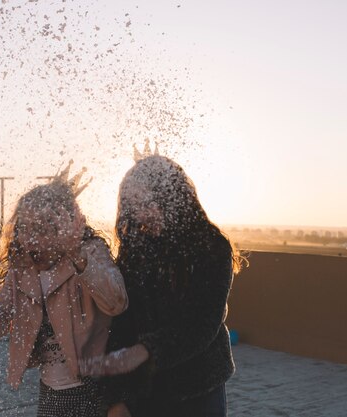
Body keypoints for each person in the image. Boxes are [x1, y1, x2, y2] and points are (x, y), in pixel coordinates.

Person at [0, 170, 128, 417]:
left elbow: (117, 302)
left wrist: (78, 256)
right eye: (24, 229)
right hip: (51, 391)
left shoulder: (89, 251)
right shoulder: (23, 269)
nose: (30, 240)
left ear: (62, 227)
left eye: (40, 229)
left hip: (96, 390)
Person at [82, 153, 244, 417]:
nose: (145, 215)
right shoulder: (136, 250)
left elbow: (202, 323)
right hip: (147, 390)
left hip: (199, 386)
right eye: (136, 207)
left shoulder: (210, 247)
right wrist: (116, 397)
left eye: (151, 203)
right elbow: (122, 323)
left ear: (175, 198)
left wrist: (145, 350)